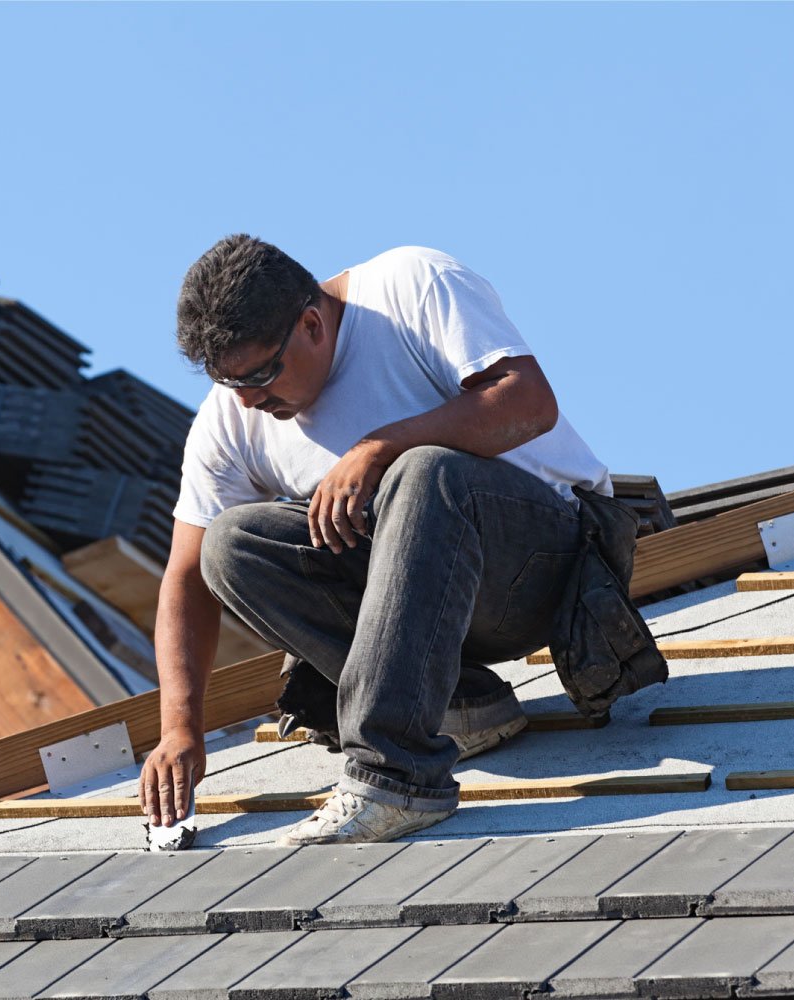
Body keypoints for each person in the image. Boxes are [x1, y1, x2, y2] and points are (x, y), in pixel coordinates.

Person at [138, 235, 622, 846]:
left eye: (260, 374)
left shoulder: (409, 288)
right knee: (230, 546)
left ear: (312, 324)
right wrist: (181, 727)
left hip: (548, 570)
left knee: (423, 473)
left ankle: (397, 779)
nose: (251, 400)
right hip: (432, 613)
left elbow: (528, 402)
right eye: (230, 382)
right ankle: (462, 708)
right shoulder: (235, 415)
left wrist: (380, 446)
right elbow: (186, 577)